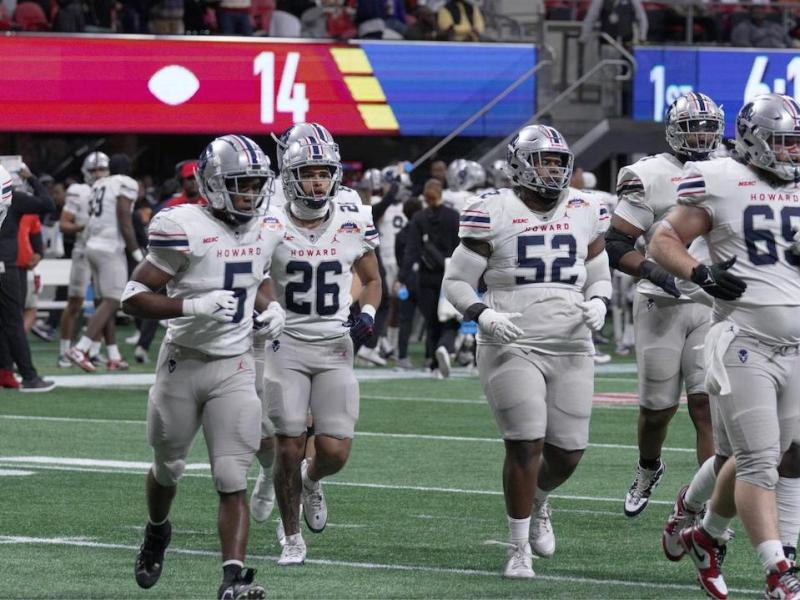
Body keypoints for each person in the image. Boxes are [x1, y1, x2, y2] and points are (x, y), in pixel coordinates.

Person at [443, 124, 611, 578]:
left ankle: (539, 498)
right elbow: (456, 282)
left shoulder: (585, 207)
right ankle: (518, 548)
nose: (552, 170)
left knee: (569, 453)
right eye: (543, 161)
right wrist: (482, 313)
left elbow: (598, 269)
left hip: (572, 341)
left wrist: (599, 299)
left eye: (558, 162)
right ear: (520, 164)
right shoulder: (493, 209)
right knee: (525, 442)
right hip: (511, 341)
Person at [649, 93, 800, 599]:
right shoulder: (718, 177)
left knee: (789, 455)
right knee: (759, 459)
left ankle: (704, 533)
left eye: (796, 143)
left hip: (796, 346)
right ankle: (780, 569)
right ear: (755, 140)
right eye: (782, 142)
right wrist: (701, 272)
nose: (792, 152)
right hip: (743, 340)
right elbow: (662, 239)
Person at [121, 134, 284, 600]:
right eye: (240, 185)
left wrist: (272, 309)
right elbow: (133, 299)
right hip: (183, 363)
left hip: (234, 365)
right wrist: (191, 306)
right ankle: (156, 530)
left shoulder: (267, 226)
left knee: (231, 475)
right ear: (212, 185)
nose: (250, 195)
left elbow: (258, 276)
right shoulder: (182, 225)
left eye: (255, 185)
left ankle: (232, 579)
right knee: (168, 466)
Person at [253, 123, 381, 566]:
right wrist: (269, 308)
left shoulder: (350, 217)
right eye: (309, 172)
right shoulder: (268, 219)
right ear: (289, 176)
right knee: (287, 442)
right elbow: (253, 276)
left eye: (324, 172)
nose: (318, 181)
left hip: (334, 345)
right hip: (284, 342)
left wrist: (366, 313)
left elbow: (372, 279)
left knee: (335, 451)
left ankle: (311, 479)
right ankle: (290, 537)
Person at [607, 92, 724, 518]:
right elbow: (616, 243)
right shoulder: (648, 174)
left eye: (708, 126)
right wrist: (652, 271)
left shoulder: (730, 170)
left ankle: (706, 508)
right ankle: (648, 466)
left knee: (705, 407)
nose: (701, 135)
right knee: (657, 411)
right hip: (661, 302)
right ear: (674, 128)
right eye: (692, 126)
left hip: (713, 306)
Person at [65, 153, 143, 371]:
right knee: (112, 300)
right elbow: (124, 220)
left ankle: (113, 355)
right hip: (110, 247)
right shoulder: (125, 183)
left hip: (92, 245)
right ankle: (81, 348)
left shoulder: (99, 184)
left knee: (104, 303)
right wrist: (137, 253)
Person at [0, 163, 56, 392]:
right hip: (5, 266)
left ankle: (5, 372)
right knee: (12, 322)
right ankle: (28, 375)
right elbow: (47, 203)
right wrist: (31, 178)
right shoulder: (15, 199)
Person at [398, 178, 460, 376]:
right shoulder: (453, 216)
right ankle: (444, 348)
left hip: (426, 277)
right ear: (441, 192)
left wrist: (401, 277)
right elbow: (463, 247)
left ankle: (433, 362)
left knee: (432, 320)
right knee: (451, 318)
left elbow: (412, 251)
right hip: (451, 274)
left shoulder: (419, 218)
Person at [57, 151, 110, 368]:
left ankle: (94, 351)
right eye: (93, 170)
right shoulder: (78, 191)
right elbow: (64, 224)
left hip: (106, 251)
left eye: (101, 169)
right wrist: (85, 226)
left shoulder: (113, 189)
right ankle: (64, 351)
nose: (97, 174)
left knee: (102, 302)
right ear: (85, 172)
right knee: (75, 302)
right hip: (83, 250)